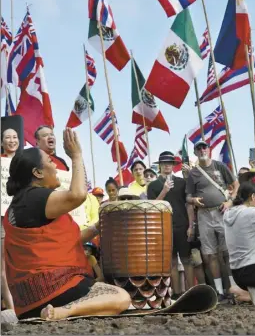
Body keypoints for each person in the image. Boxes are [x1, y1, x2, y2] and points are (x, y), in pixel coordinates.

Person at [3, 128, 131, 321]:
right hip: (53, 291)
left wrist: (98, 226)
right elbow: (77, 195)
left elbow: (72, 240)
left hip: (30, 303)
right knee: (121, 297)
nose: (55, 167)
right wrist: (77, 155)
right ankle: (65, 312)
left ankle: (64, 311)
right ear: (37, 173)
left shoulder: (24, 202)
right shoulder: (34, 198)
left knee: (105, 295)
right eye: (49, 162)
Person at [186, 140, 239, 301]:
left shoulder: (219, 166)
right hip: (203, 215)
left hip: (222, 212)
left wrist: (230, 202)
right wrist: (194, 200)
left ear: (209, 150)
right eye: (199, 148)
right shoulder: (193, 173)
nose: (202, 150)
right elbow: (188, 197)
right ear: (195, 152)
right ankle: (219, 292)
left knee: (228, 252)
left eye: (204, 147)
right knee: (210, 255)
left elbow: (235, 185)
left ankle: (233, 288)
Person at [147, 151, 195, 293]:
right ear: (160, 165)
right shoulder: (153, 185)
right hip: (164, 228)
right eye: (164, 163)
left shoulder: (181, 182)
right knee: (172, 262)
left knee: (187, 260)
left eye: (170, 162)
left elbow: (189, 204)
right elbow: (152, 208)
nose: (167, 165)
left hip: (182, 225)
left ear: (173, 165)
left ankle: (192, 292)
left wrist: (191, 225)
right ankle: (177, 294)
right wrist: (164, 191)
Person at [224, 182, 255, 307]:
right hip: (254, 270)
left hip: (238, 273)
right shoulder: (249, 213)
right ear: (252, 197)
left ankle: (248, 291)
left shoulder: (229, 214)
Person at [1, 129, 19, 312]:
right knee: (3, 265)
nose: (11, 140)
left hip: (22, 216)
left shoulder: (27, 161)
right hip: (2, 219)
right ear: (2, 142)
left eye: (14, 137)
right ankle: (12, 307)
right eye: (7, 137)